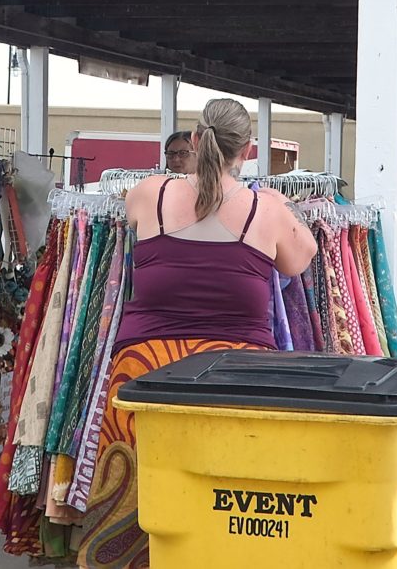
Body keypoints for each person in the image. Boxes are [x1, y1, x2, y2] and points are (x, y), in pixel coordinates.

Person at [80, 99, 318, 566]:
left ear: (192, 141)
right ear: (248, 150)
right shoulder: (265, 211)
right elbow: (301, 258)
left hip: (144, 376)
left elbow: (136, 217)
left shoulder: (150, 194)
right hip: (235, 383)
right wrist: (282, 203)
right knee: (227, 505)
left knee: (135, 503)